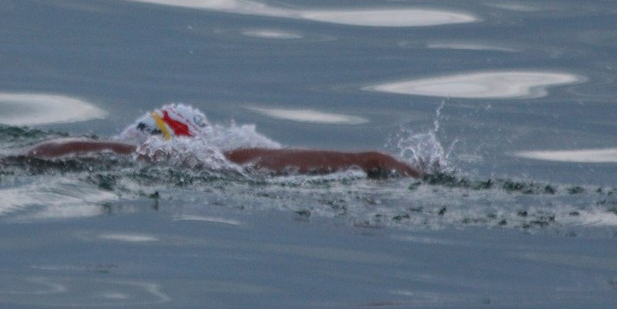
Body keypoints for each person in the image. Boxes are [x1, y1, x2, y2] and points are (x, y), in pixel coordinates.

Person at [28, 103, 422, 178]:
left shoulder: (133, 153)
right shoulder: (221, 157)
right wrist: (370, 157)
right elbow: (284, 158)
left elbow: (63, 147)